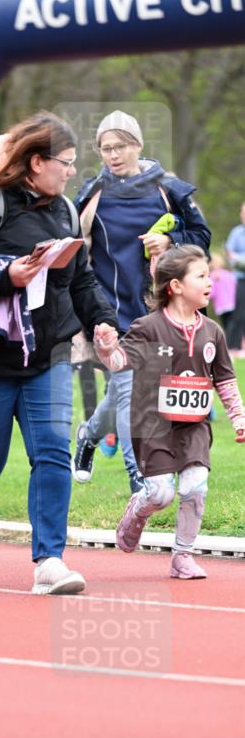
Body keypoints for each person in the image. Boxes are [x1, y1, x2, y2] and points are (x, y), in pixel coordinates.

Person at [0, 111, 118, 595]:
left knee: (52, 451)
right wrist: (4, 274)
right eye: (66, 163)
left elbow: (82, 278)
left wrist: (102, 322)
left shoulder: (66, 211)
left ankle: (49, 561)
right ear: (36, 162)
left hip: (47, 354)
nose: (72, 171)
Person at [72, 110, 211, 494]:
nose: (113, 155)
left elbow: (203, 236)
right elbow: (69, 246)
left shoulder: (168, 189)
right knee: (131, 389)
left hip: (159, 308)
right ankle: (142, 479)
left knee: (124, 391)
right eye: (105, 149)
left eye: (120, 147)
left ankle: (88, 436)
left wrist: (171, 242)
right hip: (108, 310)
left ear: (137, 146)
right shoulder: (91, 194)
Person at [95, 245, 245, 579]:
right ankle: (137, 509)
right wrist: (107, 348)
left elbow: (225, 378)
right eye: (201, 276)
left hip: (194, 426)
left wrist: (238, 416)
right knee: (161, 494)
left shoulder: (213, 332)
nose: (210, 282)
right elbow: (120, 363)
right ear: (175, 286)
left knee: (195, 486)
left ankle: (183, 555)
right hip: (152, 425)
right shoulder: (147, 327)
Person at [226, 201, 245, 351]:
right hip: (241, 279)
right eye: (242, 212)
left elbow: (236, 257)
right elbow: (230, 256)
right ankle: (233, 348)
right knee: (238, 314)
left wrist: (239, 258)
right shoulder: (236, 233)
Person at [209, 252, 237, 342]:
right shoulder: (229, 274)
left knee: (227, 325)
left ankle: (230, 344)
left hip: (221, 306)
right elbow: (235, 287)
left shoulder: (213, 277)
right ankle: (234, 344)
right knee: (233, 325)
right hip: (233, 303)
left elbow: (211, 293)